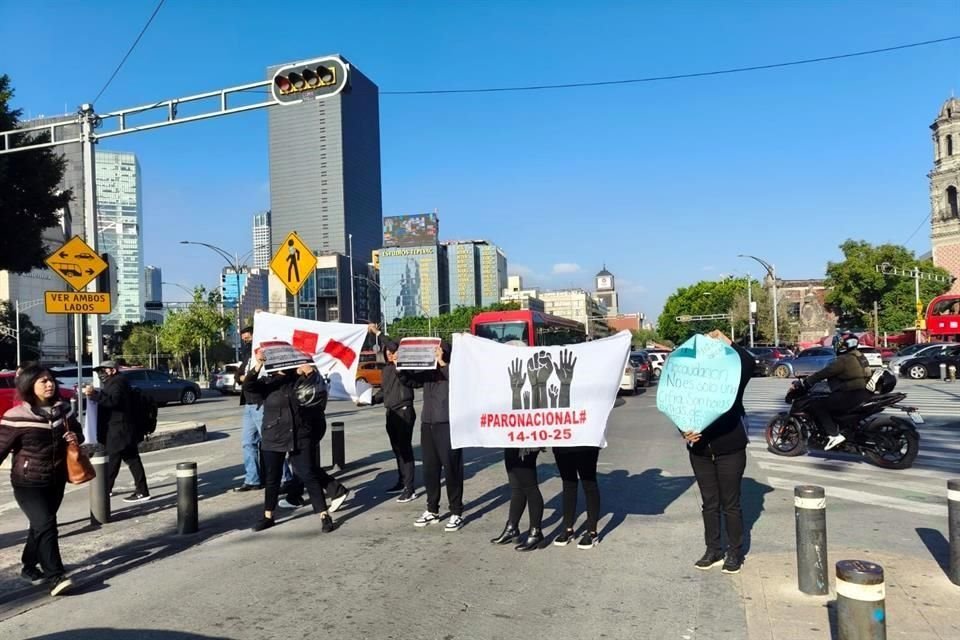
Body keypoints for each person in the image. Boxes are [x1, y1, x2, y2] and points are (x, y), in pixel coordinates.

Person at [242, 353, 350, 532]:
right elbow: (248, 386)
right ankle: (268, 516)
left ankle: (324, 514)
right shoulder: (268, 382)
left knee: (307, 472)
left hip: (299, 434)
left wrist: (311, 372)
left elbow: (319, 390)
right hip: (273, 435)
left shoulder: (300, 379)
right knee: (272, 478)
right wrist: (258, 364)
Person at [0, 365, 82, 596]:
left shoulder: (63, 411)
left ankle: (28, 566)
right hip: (28, 482)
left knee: (41, 525)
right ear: (29, 385)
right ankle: (55, 576)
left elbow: (80, 433)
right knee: (47, 525)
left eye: (51, 380)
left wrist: (75, 436)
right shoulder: (17, 417)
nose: (49, 384)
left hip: (56, 479)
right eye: (42, 381)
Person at [682, 330, 753, 575]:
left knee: (730, 504)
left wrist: (727, 340)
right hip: (700, 451)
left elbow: (749, 362)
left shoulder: (731, 378)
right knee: (709, 504)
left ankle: (734, 551)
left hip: (730, 448)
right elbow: (677, 406)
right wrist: (684, 431)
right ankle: (713, 549)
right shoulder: (690, 381)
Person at [402, 343, 464, 531]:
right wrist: (400, 368)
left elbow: (458, 382)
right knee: (430, 470)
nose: (434, 354)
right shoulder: (429, 372)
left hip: (447, 424)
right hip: (427, 424)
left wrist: (443, 363)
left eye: (437, 350)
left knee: (452, 469)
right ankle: (432, 510)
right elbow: (410, 381)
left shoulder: (453, 371)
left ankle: (456, 512)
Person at [84, 361, 150, 503]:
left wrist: (96, 395)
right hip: (122, 428)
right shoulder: (115, 382)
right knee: (132, 459)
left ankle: (105, 489)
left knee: (113, 460)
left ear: (112, 370)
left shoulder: (117, 382)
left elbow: (113, 401)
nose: (101, 373)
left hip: (118, 429)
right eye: (99, 371)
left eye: (103, 370)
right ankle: (142, 491)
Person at [801, 332, 872, 451]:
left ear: (841, 345)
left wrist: (808, 381)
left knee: (817, 405)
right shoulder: (859, 356)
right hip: (862, 392)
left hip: (852, 394)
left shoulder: (843, 359)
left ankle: (833, 435)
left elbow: (825, 372)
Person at [371, 339, 419, 503]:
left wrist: (378, 334)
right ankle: (402, 481)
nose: (390, 354)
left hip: (404, 410)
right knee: (397, 450)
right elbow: (383, 392)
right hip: (391, 413)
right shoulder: (386, 370)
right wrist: (368, 400)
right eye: (387, 352)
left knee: (405, 450)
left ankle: (410, 488)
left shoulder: (403, 367)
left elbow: (395, 347)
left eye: (393, 352)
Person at [491, 447, 544, 551]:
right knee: (516, 486)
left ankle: (535, 533)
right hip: (511, 441)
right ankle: (512, 528)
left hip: (527, 443)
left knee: (530, 487)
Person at [552, 445, 602, 549]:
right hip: (562, 444)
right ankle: (568, 529)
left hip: (585, 445)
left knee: (589, 484)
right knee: (568, 484)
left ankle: (592, 532)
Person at [235, 326, 264, 492]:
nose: (246, 341)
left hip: (261, 402)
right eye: (244, 339)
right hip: (248, 402)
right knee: (247, 442)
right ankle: (252, 479)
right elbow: (238, 375)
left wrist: (247, 378)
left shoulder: (263, 352)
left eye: (248, 338)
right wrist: (243, 377)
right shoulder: (247, 355)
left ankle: (285, 479)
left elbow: (258, 377)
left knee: (269, 443)